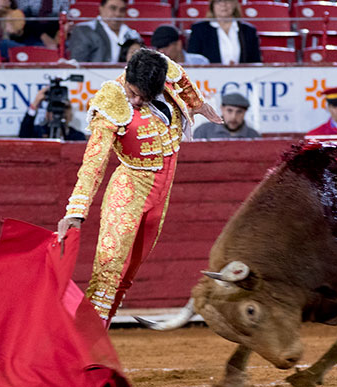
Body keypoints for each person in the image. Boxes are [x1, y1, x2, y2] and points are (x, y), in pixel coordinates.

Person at [56, 49, 222, 327]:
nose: (134, 100)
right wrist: (76, 211)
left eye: (142, 97)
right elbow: (94, 161)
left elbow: (180, 75)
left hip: (160, 197)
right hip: (129, 192)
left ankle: (95, 341)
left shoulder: (163, 73)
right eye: (132, 92)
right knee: (108, 274)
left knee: (127, 276)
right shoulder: (111, 99)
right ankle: (82, 344)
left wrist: (198, 103)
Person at [187, 0, 261, 64]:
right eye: (218, 1)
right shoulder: (199, 29)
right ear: (212, 6)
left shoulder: (248, 30)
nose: (223, 4)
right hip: (208, 75)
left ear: (234, 4)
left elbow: (255, 61)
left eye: (228, 1)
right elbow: (193, 59)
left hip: (243, 75)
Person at [68, 0, 142, 63]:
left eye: (122, 10)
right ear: (101, 8)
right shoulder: (84, 31)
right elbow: (77, 64)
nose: (118, 14)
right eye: (113, 8)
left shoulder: (133, 35)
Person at [18, 86, 86, 141]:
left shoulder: (78, 137)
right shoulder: (38, 132)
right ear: (47, 113)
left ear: (70, 114)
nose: (59, 112)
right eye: (54, 108)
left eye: (65, 108)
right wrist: (35, 103)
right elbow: (23, 136)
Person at [193, 92, 260, 139]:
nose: (234, 117)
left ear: (245, 112)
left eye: (239, 112)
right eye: (229, 111)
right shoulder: (203, 131)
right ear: (222, 109)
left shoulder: (253, 136)